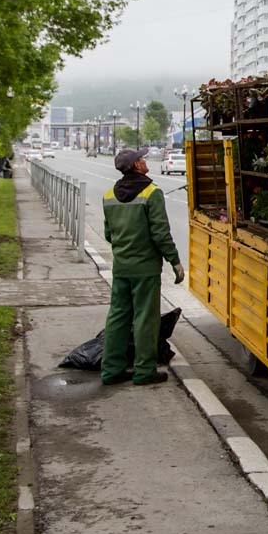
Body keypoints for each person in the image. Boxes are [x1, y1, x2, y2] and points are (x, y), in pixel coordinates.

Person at [100, 148, 182, 386]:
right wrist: (175, 261)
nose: (146, 161)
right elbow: (160, 234)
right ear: (136, 166)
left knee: (118, 316)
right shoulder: (151, 193)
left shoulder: (108, 195)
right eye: (142, 158)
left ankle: (111, 370)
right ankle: (145, 371)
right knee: (146, 318)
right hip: (145, 270)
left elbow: (108, 234)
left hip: (122, 267)